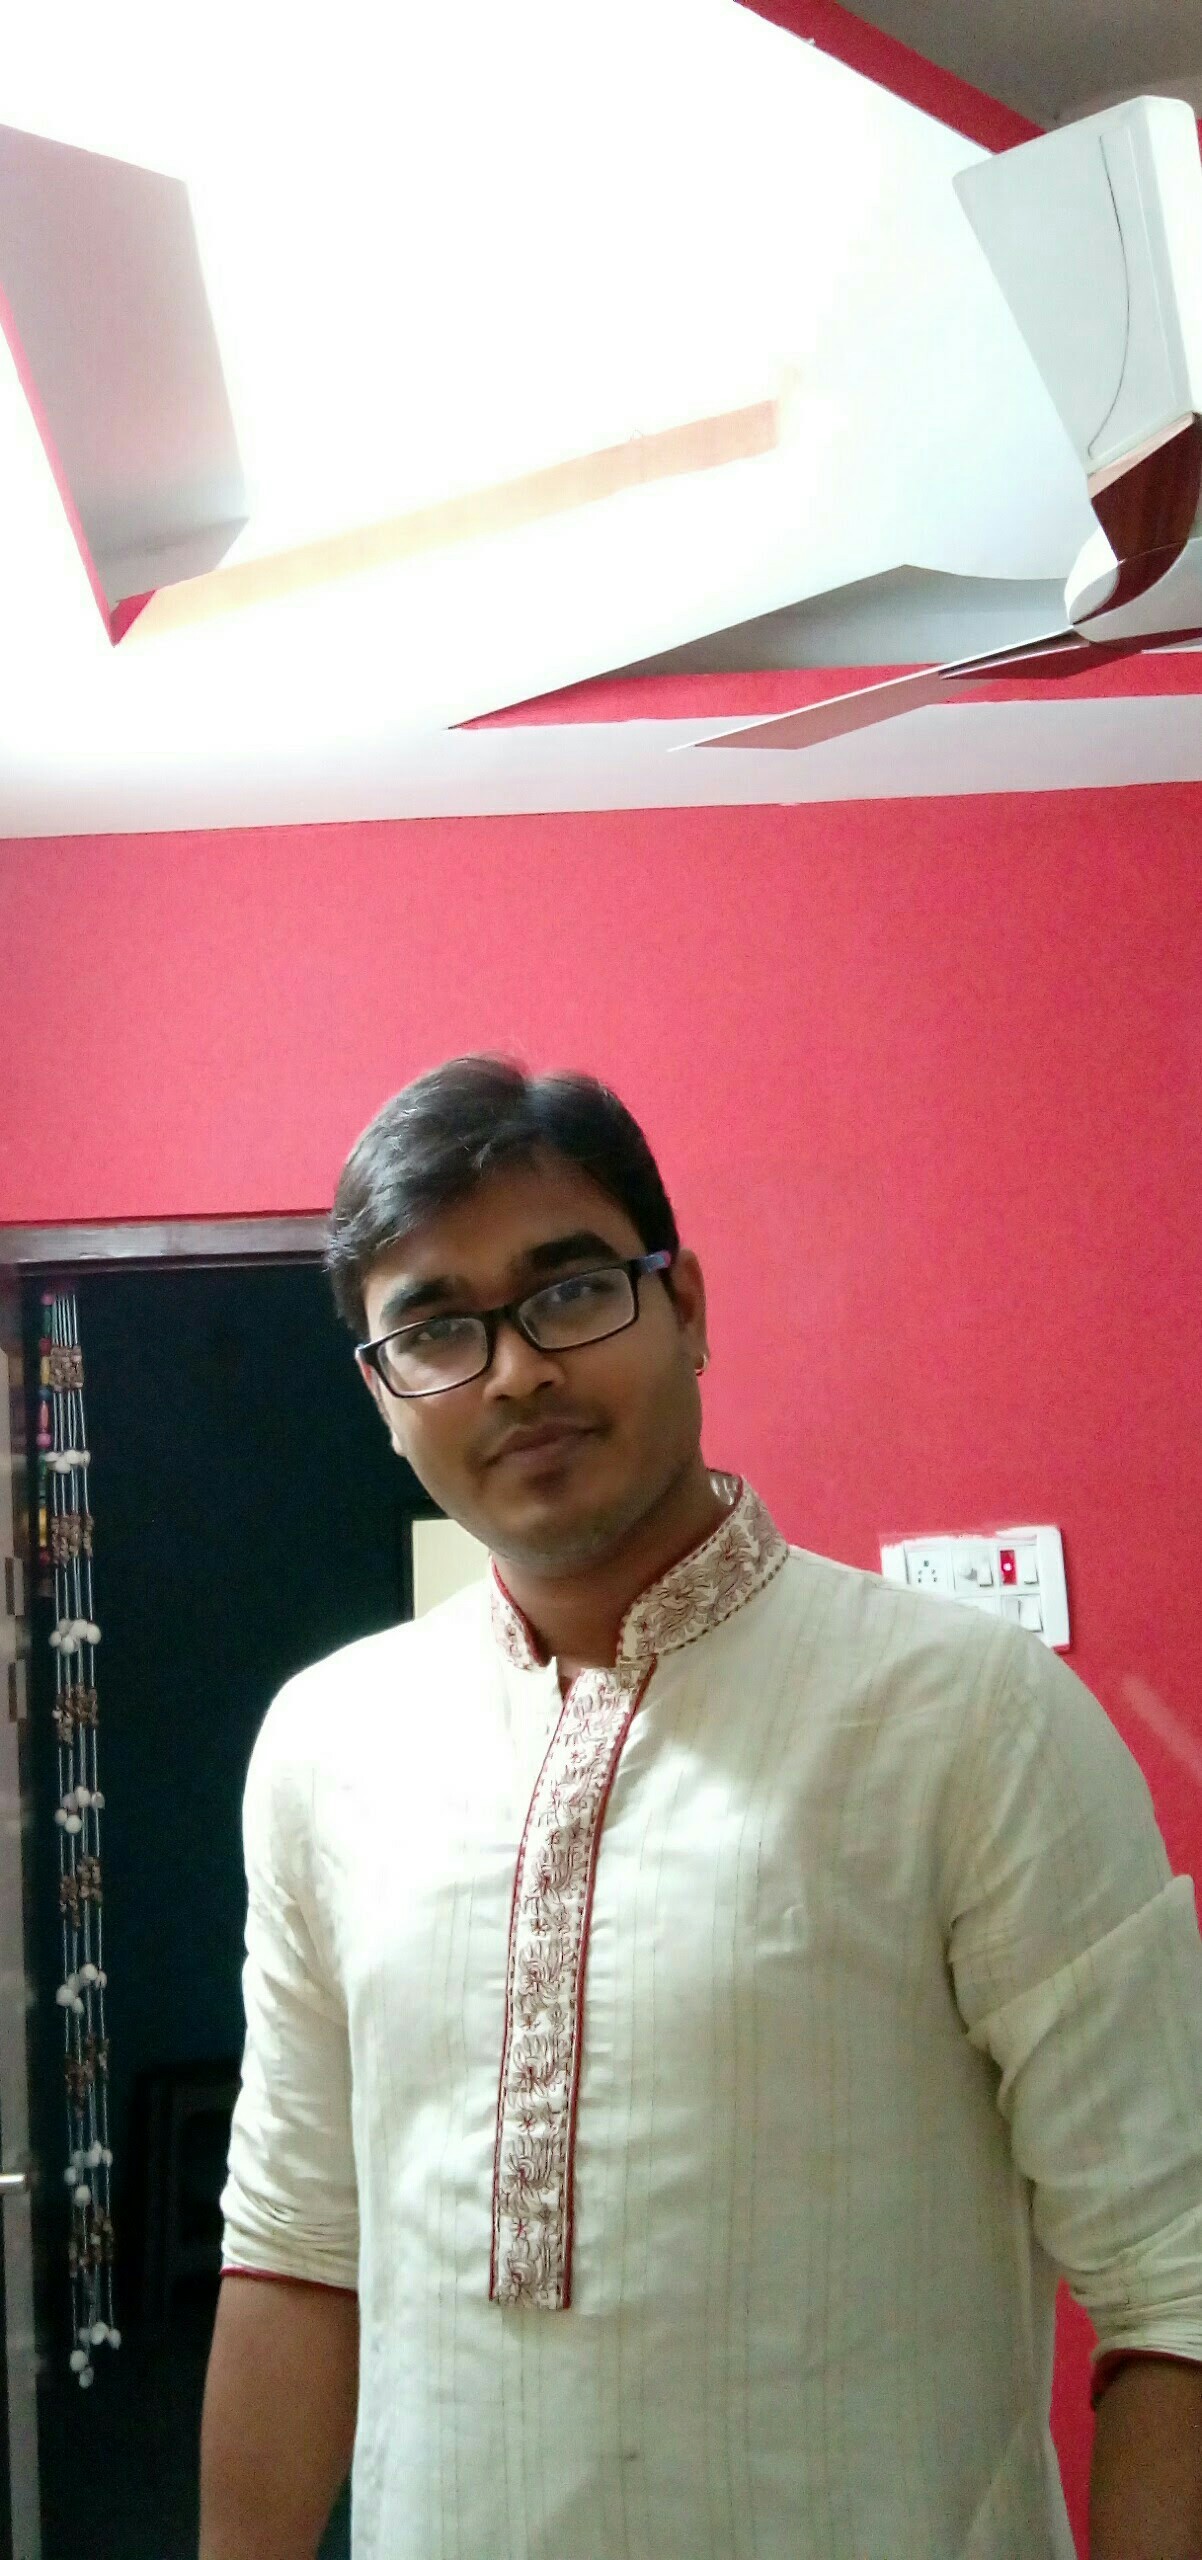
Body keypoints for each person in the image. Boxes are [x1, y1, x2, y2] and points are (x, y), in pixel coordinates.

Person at [200, 1054, 1202, 2560]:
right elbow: (293, 2247)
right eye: (435, 1329)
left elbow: (1174, 2277)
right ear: (381, 1396)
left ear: (687, 1307)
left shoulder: (967, 1717)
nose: (515, 1372)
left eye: (569, 1291)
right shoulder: (328, 1745)